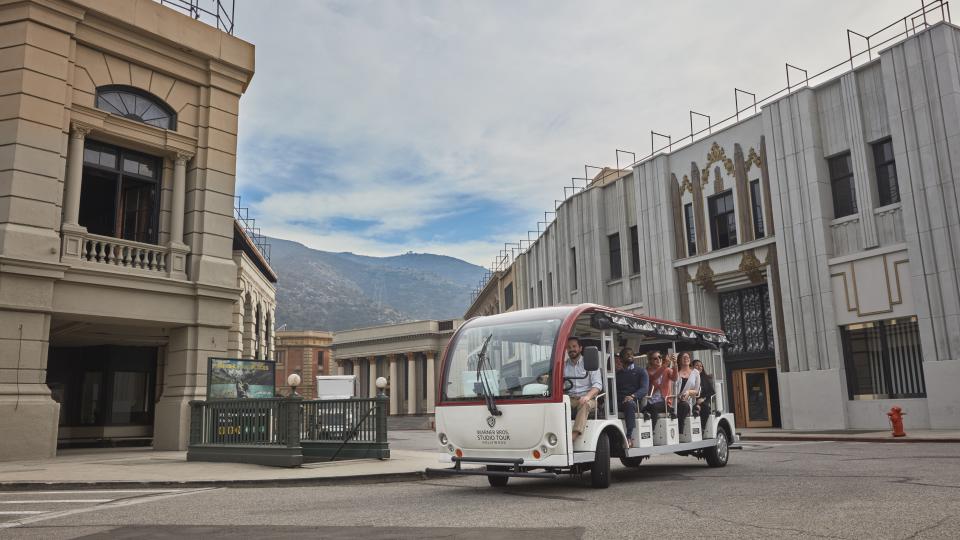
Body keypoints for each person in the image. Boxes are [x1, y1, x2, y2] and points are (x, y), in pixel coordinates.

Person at [563, 336, 602, 441]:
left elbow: (597, 385)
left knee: (584, 404)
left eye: (574, 346)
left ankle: (572, 437)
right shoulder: (563, 366)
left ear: (580, 348)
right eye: (569, 347)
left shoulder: (589, 363)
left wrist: (587, 396)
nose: (571, 349)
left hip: (589, 399)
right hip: (570, 398)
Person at [615, 348, 649, 447]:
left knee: (629, 404)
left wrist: (632, 396)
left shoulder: (641, 371)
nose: (630, 355)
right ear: (621, 359)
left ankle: (629, 437)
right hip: (619, 402)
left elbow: (644, 389)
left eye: (631, 354)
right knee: (606, 406)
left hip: (635, 402)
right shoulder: (618, 374)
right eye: (626, 354)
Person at [642, 351, 677, 421]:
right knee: (642, 409)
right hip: (650, 401)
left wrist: (675, 364)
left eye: (660, 357)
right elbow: (654, 377)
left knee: (653, 407)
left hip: (664, 401)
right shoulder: (646, 371)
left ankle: (652, 430)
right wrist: (665, 364)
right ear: (650, 360)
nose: (658, 359)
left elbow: (674, 378)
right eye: (655, 358)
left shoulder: (667, 370)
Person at [675, 352, 700, 434]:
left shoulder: (695, 372)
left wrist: (688, 392)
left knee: (684, 405)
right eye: (684, 357)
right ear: (679, 360)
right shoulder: (676, 372)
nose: (686, 358)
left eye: (688, 357)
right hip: (675, 400)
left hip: (688, 401)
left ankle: (680, 431)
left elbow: (696, 390)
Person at [693, 359, 716, 430]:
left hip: (703, 400)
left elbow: (712, 392)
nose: (699, 367)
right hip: (691, 400)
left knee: (705, 408)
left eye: (701, 366)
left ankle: (702, 429)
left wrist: (703, 399)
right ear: (692, 367)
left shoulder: (705, 378)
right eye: (697, 365)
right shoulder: (690, 377)